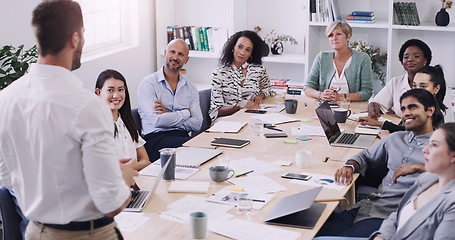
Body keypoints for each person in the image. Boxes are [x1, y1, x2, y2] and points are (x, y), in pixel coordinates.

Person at [0, 1, 136, 239]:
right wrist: (123, 176)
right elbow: (111, 203)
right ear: (75, 38)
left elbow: (6, 173)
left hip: (35, 232)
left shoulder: (6, 98)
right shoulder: (88, 106)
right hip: (88, 234)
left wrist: (48, 185)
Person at [316, 89, 436, 238]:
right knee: (311, 231)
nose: (406, 113)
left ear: (430, 110)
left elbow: (449, 176)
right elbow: (365, 155)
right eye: (403, 108)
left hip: (391, 220)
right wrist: (350, 165)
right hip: (367, 206)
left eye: (412, 107)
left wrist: (420, 167)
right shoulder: (395, 138)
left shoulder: (441, 145)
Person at [371, 122, 455, 240]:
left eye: (434, 145)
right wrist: (381, 236)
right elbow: (397, 214)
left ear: (453, 156)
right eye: (428, 143)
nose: (425, 150)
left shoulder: (452, 203)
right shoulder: (427, 179)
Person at [138, 39, 202, 162]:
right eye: (172, 52)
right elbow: (157, 121)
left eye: (181, 54)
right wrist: (186, 113)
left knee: (205, 148)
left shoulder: (191, 88)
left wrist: (168, 115)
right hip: (155, 140)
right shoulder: (149, 83)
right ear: (166, 53)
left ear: (186, 60)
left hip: (181, 137)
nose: (175, 57)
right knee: (196, 149)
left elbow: (197, 124)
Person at [359, 65, 447, 137]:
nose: (417, 90)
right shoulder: (425, 106)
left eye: (423, 86)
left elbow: (414, 140)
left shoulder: (434, 115)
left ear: (436, 88)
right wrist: (378, 123)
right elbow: (408, 131)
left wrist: (388, 139)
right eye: (414, 86)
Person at [209, 30, 274, 121]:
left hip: (251, 117)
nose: (242, 53)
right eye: (240, 47)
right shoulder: (219, 73)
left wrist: (260, 95)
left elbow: (268, 89)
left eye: (247, 50)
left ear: (251, 53)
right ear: (233, 47)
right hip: (227, 120)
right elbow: (216, 111)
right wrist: (238, 106)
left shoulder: (258, 70)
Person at [304, 20, 373, 102]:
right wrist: (321, 95)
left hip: (352, 109)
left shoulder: (362, 58)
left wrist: (341, 97)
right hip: (326, 108)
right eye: (331, 35)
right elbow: (307, 88)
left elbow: (367, 92)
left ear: (348, 37)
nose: (334, 38)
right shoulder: (321, 57)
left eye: (338, 34)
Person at [96, 69, 151, 171]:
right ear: (99, 92)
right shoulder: (96, 127)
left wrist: (124, 169)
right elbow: (104, 170)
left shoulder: (127, 122)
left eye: (120, 90)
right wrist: (128, 169)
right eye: (110, 90)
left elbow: (146, 160)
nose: (116, 95)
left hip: (135, 181)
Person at [368, 39, 432, 119]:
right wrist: (373, 111)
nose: (410, 59)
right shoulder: (396, 82)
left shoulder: (432, 82)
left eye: (416, 56)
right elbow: (376, 103)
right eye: (406, 57)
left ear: (425, 61)